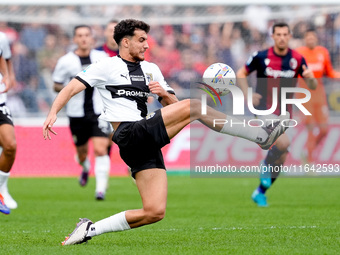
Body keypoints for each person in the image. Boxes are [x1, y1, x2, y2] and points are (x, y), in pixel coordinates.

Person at [43, 19, 288, 245]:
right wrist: (53, 112)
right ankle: (259, 135)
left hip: (144, 141)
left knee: (154, 212)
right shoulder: (105, 66)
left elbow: (174, 106)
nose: (147, 45)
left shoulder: (151, 69)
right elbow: (70, 88)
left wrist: (163, 93)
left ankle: (89, 230)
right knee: (195, 107)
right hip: (129, 133)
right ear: (125, 42)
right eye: (141, 40)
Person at [236, 22, 318, 207]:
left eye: (285, 34)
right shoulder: (261, 56)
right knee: (283, 143)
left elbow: (312, 85)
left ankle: (260, 192)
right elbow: (240, 73)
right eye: (278, 34)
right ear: (273, 36)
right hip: (264, 110)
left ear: (289, 36)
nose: (281, 37)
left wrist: (312, 79)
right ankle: (265, 164)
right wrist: (248, 94)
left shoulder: (297, 59)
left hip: (285, 114)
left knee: (281, 156)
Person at [52, 25, 111, 200]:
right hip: (76, 114)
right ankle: (85, 168)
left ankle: (100, 190)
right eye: (80, 35)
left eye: (87, 35)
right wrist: (71, 88)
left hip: (99, 112)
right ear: (75, 39)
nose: (84, 38)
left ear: (92, 38)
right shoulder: (66, 61)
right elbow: (56, 84)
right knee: (82, 153)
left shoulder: (102, 58)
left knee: (101, 149)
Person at [296, 28, 340, 163]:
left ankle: (307, 151)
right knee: (310, 127)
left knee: (324, 129)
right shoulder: (299, 53)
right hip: (304, 94)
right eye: (308, 37)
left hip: (319, 94)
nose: (310, 40)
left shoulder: (323, 52)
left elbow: (329, 72)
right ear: (305, 39)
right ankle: (310, 163)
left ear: (316, 39)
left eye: (312, 37)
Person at [0, 31, 18, 214]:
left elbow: (4, 57)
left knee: (10, 146)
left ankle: (1, 189)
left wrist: (7, 75)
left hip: (0, 103)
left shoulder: (1, 38)